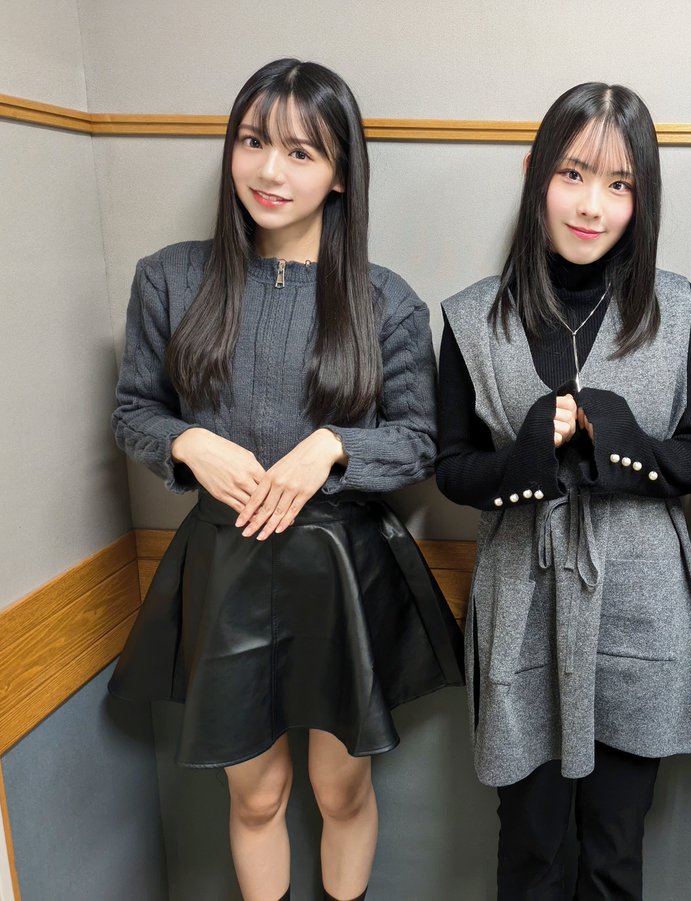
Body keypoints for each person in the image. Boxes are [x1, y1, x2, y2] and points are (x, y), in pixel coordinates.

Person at [108, 58, 463, 901]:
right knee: (256, 793)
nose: (270, 170)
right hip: (224, 563)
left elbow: (420, 442)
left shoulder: (386, 301)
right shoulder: (169, 278)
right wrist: (191, 442)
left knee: (342, 789)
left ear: (340, 174)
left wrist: (332, 447)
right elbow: (132, 412)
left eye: (302, 153)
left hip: (341, 567)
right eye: (253, 141)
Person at [435, 82, 691, 900]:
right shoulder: (471, 318)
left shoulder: (678, 306)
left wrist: (623, 439)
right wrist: (529, 448)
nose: (593, 205)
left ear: (641, 197)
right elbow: (451, 467)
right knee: (530, 851)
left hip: (640, 601)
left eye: (619, 184)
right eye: (573, 174)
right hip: (521, 601)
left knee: (614, 851)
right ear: (535, 173)